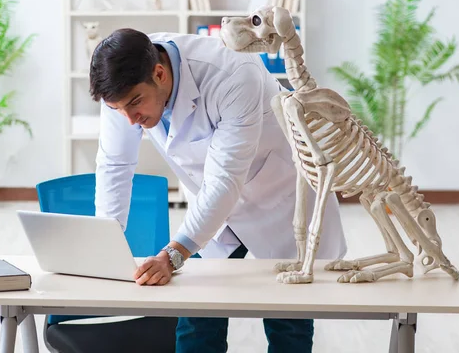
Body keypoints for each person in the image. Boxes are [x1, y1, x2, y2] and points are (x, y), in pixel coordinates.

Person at [89, 28, 347, 353]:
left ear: (159, 73)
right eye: (117, 109)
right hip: (211, 200)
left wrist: (174, 254)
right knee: (197, 314)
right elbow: (115, 163)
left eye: (134, 104)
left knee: (288, 317)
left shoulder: (234, 73)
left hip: (279, 194)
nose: (129, 119)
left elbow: (225, 178)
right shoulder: (121, 83)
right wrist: (105, 240)